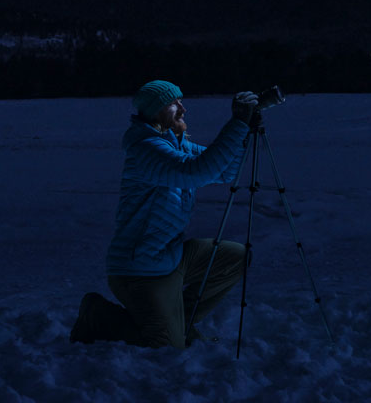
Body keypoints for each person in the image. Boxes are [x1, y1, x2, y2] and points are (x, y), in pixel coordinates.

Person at [70, 80, 260, 348]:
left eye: (181, 101)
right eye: (174, 103)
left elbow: (225, 171)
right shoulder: (147, 149)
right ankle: (98, 315)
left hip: (169, 257)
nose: (183, 108)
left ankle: (180, 320)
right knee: (166, 346)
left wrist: (243, 130)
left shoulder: (175, 144)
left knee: (236, 257)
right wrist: (237, 125)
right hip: (140, 270)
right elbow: (196, 172)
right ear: (155, 112)